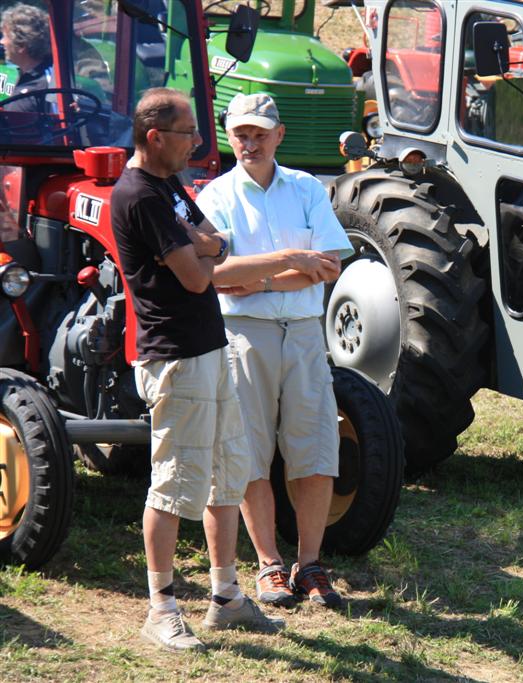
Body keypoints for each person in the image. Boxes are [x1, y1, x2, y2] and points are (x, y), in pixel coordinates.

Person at [111, 87, 284, 653]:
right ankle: (160, 608)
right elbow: (194, 276)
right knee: (173, 486)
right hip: (176, 358)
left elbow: (216, 240)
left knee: (225, 475)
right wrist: (205, 251)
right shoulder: (140, 195)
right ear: (156, 137)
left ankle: (226, 598)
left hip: (209, 348)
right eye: (188, 134)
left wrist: (203, 246)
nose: (198, 144)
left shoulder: (170, 188)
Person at [196, 93, 352, 609]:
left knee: (313, 449)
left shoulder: (306, 187)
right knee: (250, 452)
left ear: (279, 135)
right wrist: (292, 267)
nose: (250, 142)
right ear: (228, 135)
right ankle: (269, 565)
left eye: (260, 133)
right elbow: (216, 276)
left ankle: (310, 564)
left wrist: (259, 279)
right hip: (245, 335)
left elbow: (329, 265)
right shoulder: (215, 196)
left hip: (304, 331)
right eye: (241, 133)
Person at [0, 2, 53, 113]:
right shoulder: (10, 76)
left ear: (21, 45)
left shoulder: (50, 83)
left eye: (5, 37)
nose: (2, 42)